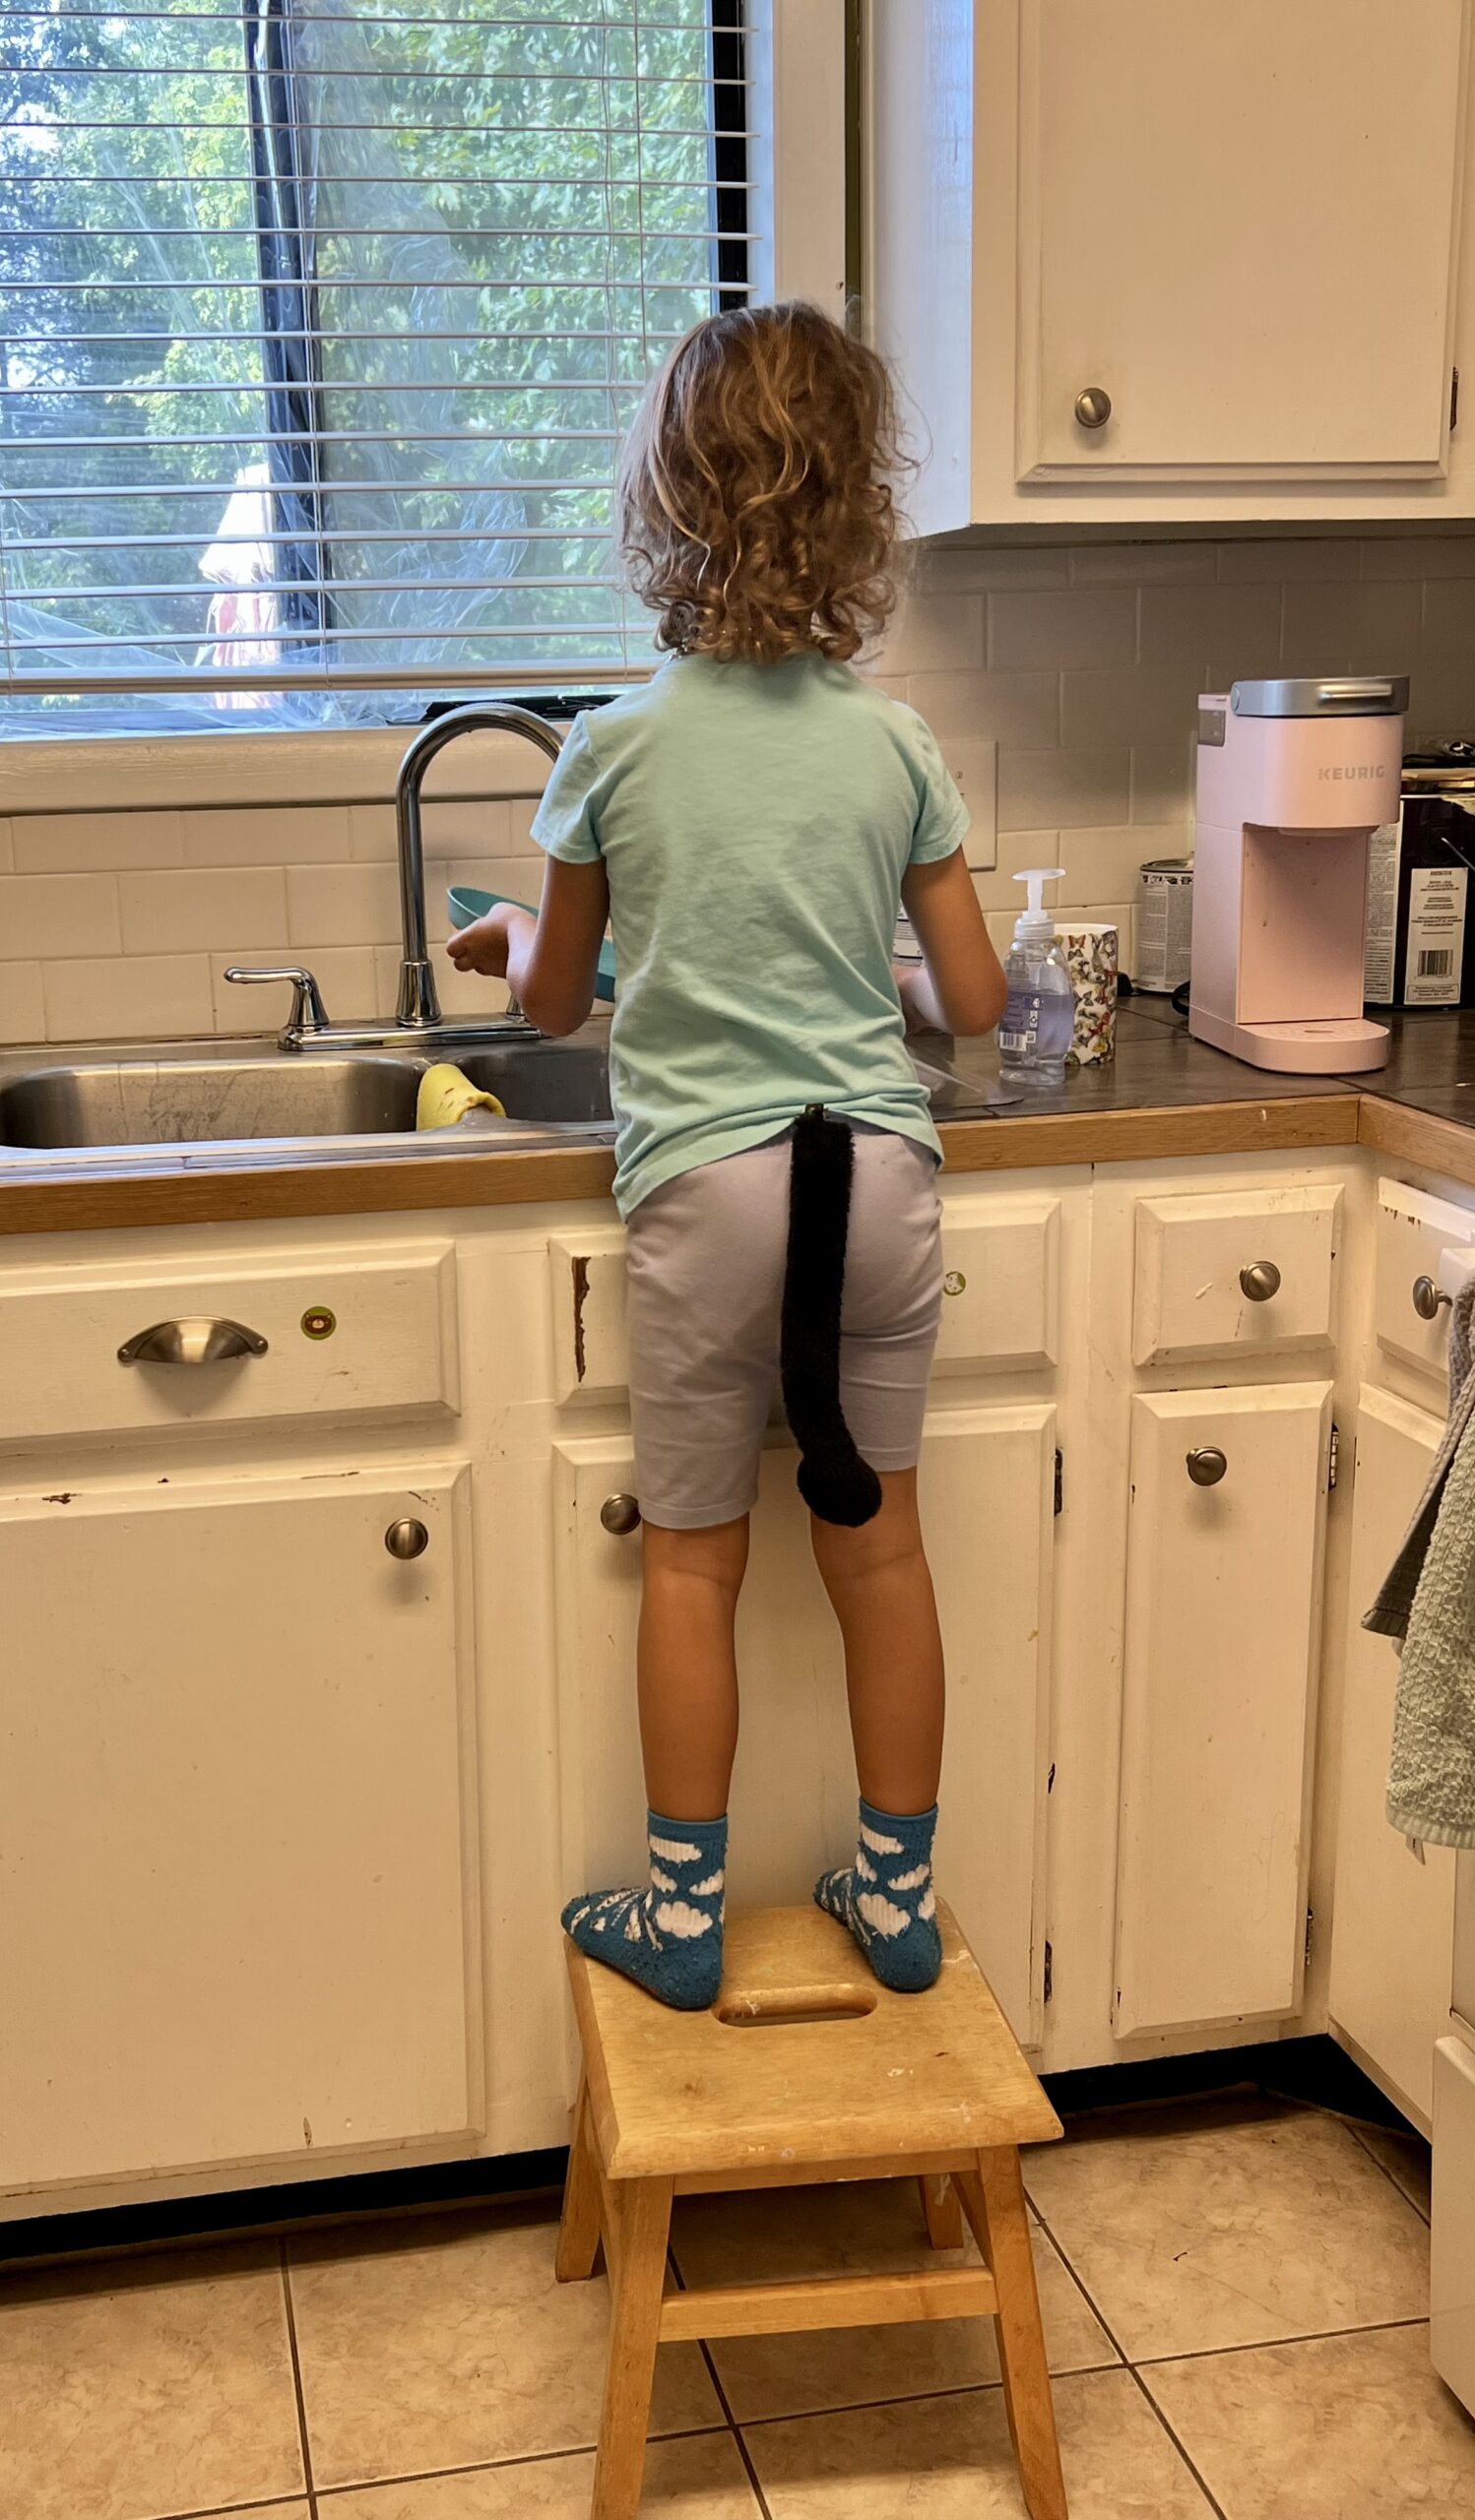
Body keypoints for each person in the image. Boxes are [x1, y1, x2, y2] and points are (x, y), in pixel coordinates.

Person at [449, 301, 1008, 2011]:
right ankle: (896, 1896)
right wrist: (858, 960)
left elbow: (554, 1006)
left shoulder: (611, 752)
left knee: (695, 1559)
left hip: (710, 1187)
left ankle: (685, 1922)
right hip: (880, 1184)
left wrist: (507, 951)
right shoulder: (894, 744)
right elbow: (972, 1002)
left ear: (665, 510)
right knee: (883, 1551)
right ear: (856, 515)